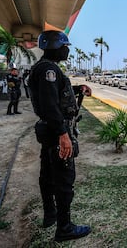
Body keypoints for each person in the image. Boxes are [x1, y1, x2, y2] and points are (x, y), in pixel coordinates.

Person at [28, 30, 92, 242]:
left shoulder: (45, 68)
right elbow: (49, 105)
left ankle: (50, 215)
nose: (67, 50)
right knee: (64, 180)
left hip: (48, 131)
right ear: (56, 46)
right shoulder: (49, 70)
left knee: (47, 175)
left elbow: (54, 93)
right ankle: (64, 228)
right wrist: (63, 134)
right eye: (65, 46)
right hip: (56, 132)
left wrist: (77, 88)